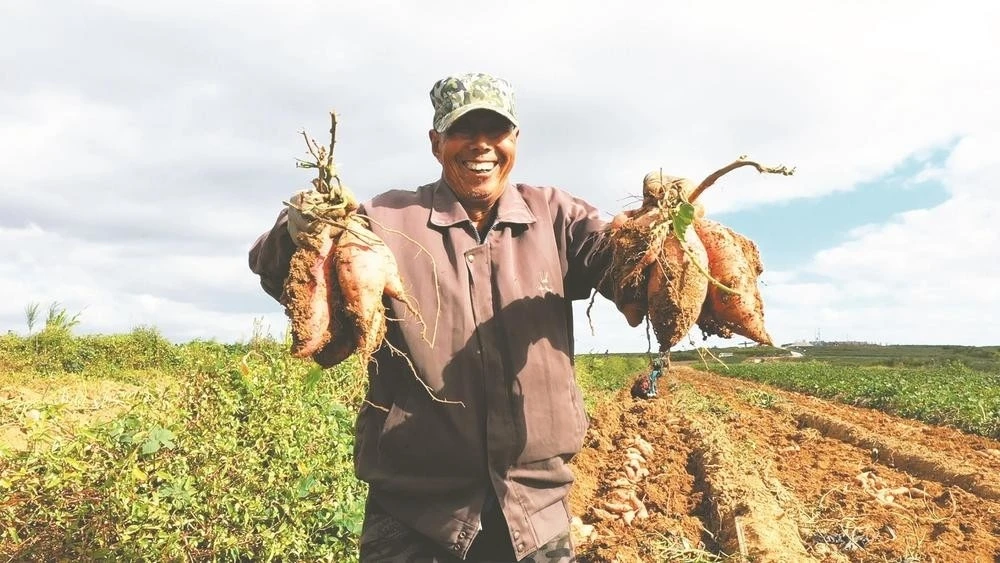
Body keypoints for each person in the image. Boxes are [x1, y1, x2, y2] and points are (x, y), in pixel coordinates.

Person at [249, 72, 650, 562]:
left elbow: (623, 267)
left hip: (534, 511)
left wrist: (657, 235)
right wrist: (298, 231)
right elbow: (277, 275)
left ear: (515, 140)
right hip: (414, 516)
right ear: (436, 142)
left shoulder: (557, 216)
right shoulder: (384, 220)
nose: (481, 146)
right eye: (463, 131)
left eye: (496, 131)